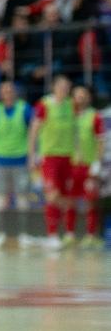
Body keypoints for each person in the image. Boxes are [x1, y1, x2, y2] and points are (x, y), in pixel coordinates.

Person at [28, 74, 76, 251]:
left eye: (67, 87)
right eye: (61, 86)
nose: (65, 89)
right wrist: (32, 155)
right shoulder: (44, 104)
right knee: (52, 195)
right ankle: (52, 234)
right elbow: (33, 131)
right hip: (50, 157)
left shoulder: (71, 104)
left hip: (68, 157)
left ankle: (64, 234)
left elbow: (76, 130)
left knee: (64, 195)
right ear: (54, 87)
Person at [0, 80, 32, 248]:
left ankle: (23, 234)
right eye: (4, 91)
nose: (8, 94)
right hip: (0, 160)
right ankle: (1, 234)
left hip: (21, 159)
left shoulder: (24, 109)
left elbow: (33, 131)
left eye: (10, 90)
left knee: (22, 198)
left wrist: (32, 154)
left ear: (15, 92)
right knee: (0, 198)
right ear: (0, 94)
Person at [66, 85, 105, 248]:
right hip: (70, 165)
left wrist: (97, 163)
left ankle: (91, 235)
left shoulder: (94, 116)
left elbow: (101, 141)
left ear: (88, 97)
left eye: (83, 95)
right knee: (70, 200)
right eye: (77, 95)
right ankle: (70, 234)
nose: (80, 98)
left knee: (90, 201)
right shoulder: (67, 116)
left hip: (88, 166)